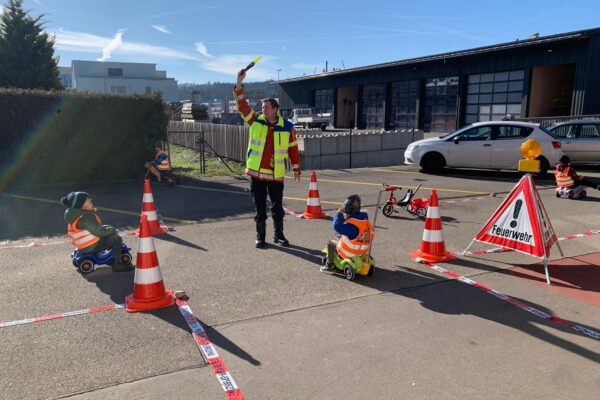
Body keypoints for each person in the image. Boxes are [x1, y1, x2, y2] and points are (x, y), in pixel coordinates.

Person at [235, 69, 301, 248]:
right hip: (257, 175)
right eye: (262, 108)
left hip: (276, 176)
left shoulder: (287, 126)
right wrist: (239, 83)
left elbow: (293, 149)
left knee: (278, 209)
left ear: (275, 109)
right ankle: (260, 237)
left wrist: (296, 168)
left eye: (266, 108)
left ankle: (279, 236)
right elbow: (242, 106)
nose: (263, 110)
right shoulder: (255, 120)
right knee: (260, 209)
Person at [61, 191, 132, 272]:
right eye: (87, 199)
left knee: (108, 235)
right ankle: (117, 264)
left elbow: (92, 228)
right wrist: (112, 230)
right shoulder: (86, 216)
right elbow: (100, 232)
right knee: (116, 239)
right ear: (80, 203)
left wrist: (106, 228)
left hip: (82, 245)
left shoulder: (74, 216)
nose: (90, 199)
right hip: (92, 245)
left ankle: (111, 258)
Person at [321, 194, 373, 272]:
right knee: (342, 235)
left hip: (349, 251)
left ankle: (329, 265)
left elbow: (337, 226)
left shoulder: (351, 225)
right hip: (362, 250)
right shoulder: (365, 221)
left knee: (330, 243)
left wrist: (338, 214)